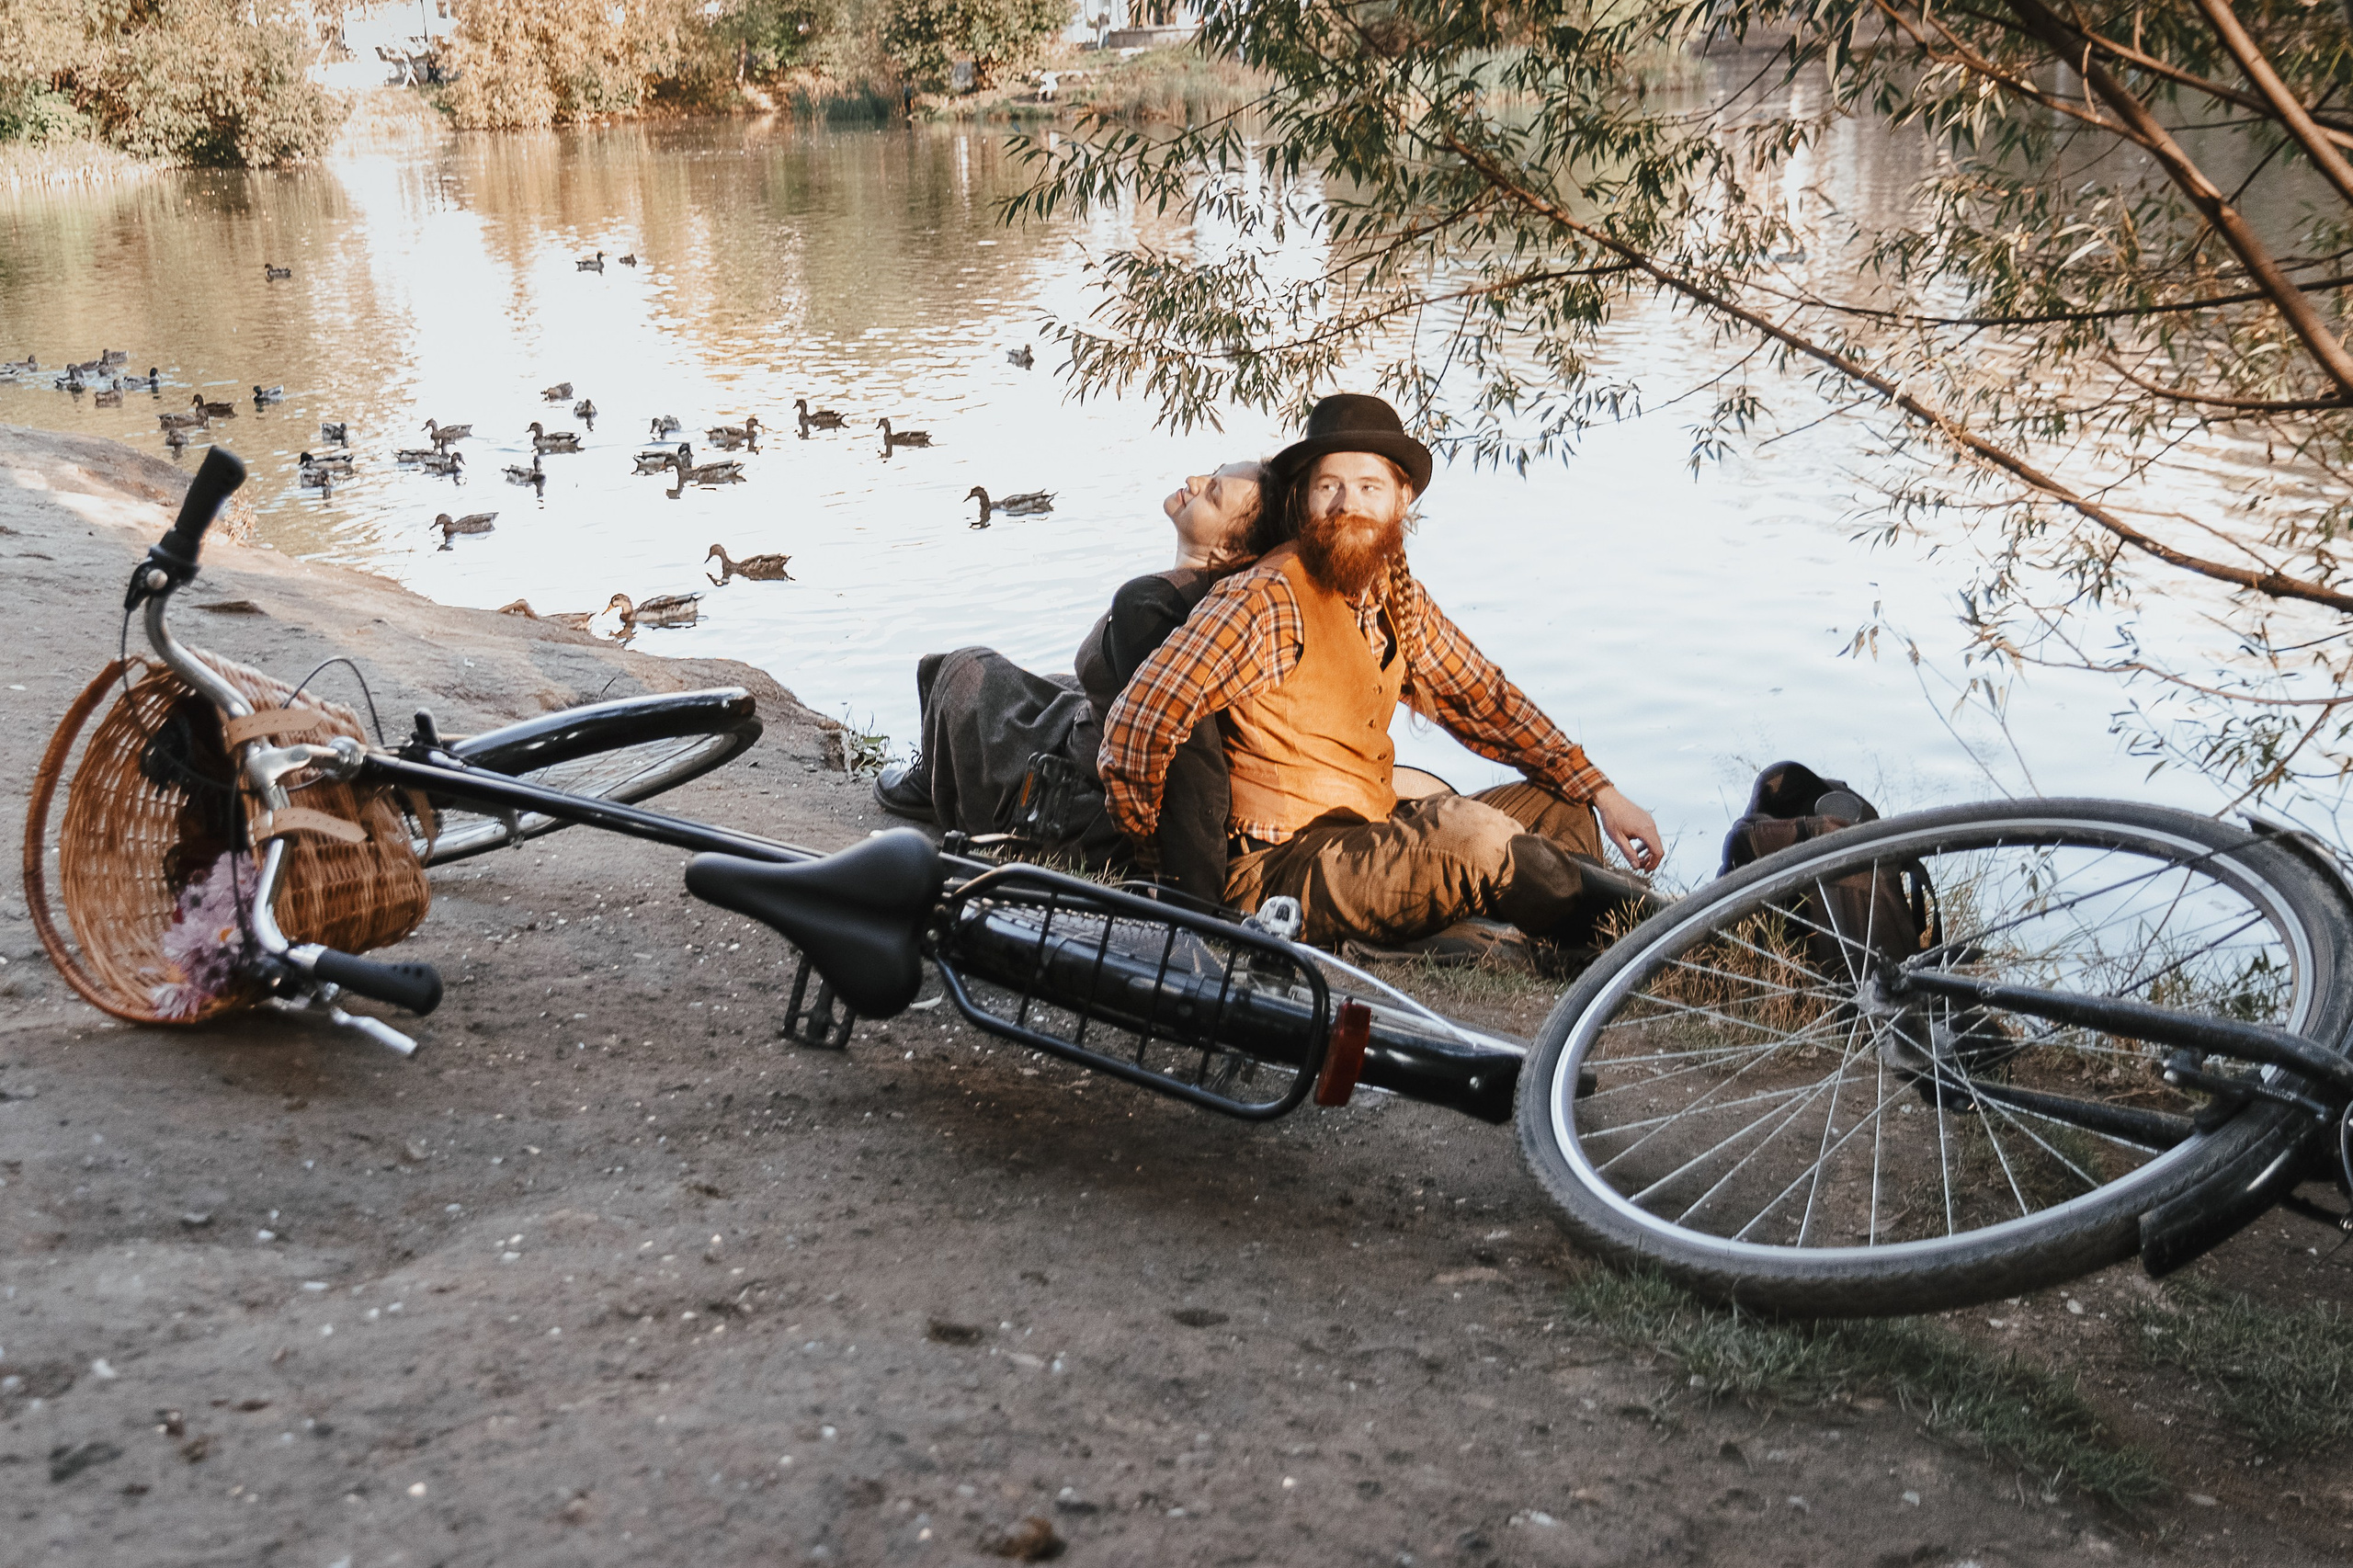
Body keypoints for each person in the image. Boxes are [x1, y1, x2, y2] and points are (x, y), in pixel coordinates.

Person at [1098, 393, 1663, 951]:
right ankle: (1663, 936)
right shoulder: (1270, 598)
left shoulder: (1395, 596)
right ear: (1303, 502)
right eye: (1330, 487)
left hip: (1371, 827)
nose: (1350, 504)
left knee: (1560, 803)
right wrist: (1165, 870)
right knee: (1477, 838)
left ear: (1401, 499)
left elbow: (1486, 701)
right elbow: (1142, 717)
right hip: (1280, 868)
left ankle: (1582, 940)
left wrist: (1605, 793)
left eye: (1370, 487)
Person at [875, 460, 1270, 902]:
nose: (1196, 481)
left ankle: (934, 780)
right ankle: (940, 766)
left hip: (1078, 794)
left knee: (965, 669)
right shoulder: (1199, 596)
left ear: (1233, 549)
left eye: (1213, 493)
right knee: (1043, 682)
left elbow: (1188, 759)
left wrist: (1192, 897)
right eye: (1210, 474)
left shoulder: (1158, 614)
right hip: (1085, 728)